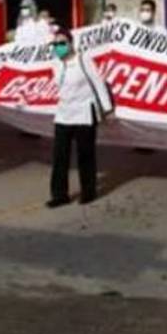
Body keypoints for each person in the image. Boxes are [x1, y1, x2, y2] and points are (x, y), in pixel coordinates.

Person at [47, 27, 113, 208]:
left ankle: (88, 191)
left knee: (85, 154)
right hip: (64, 113)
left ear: (70, 43)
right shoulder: (56, 63)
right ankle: (59, 194)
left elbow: (98, 84)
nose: (58, 47)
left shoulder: (84, 60)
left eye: (62, 43)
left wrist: (107, 108)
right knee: (60, 156)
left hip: (84, 112)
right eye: (55, 44)